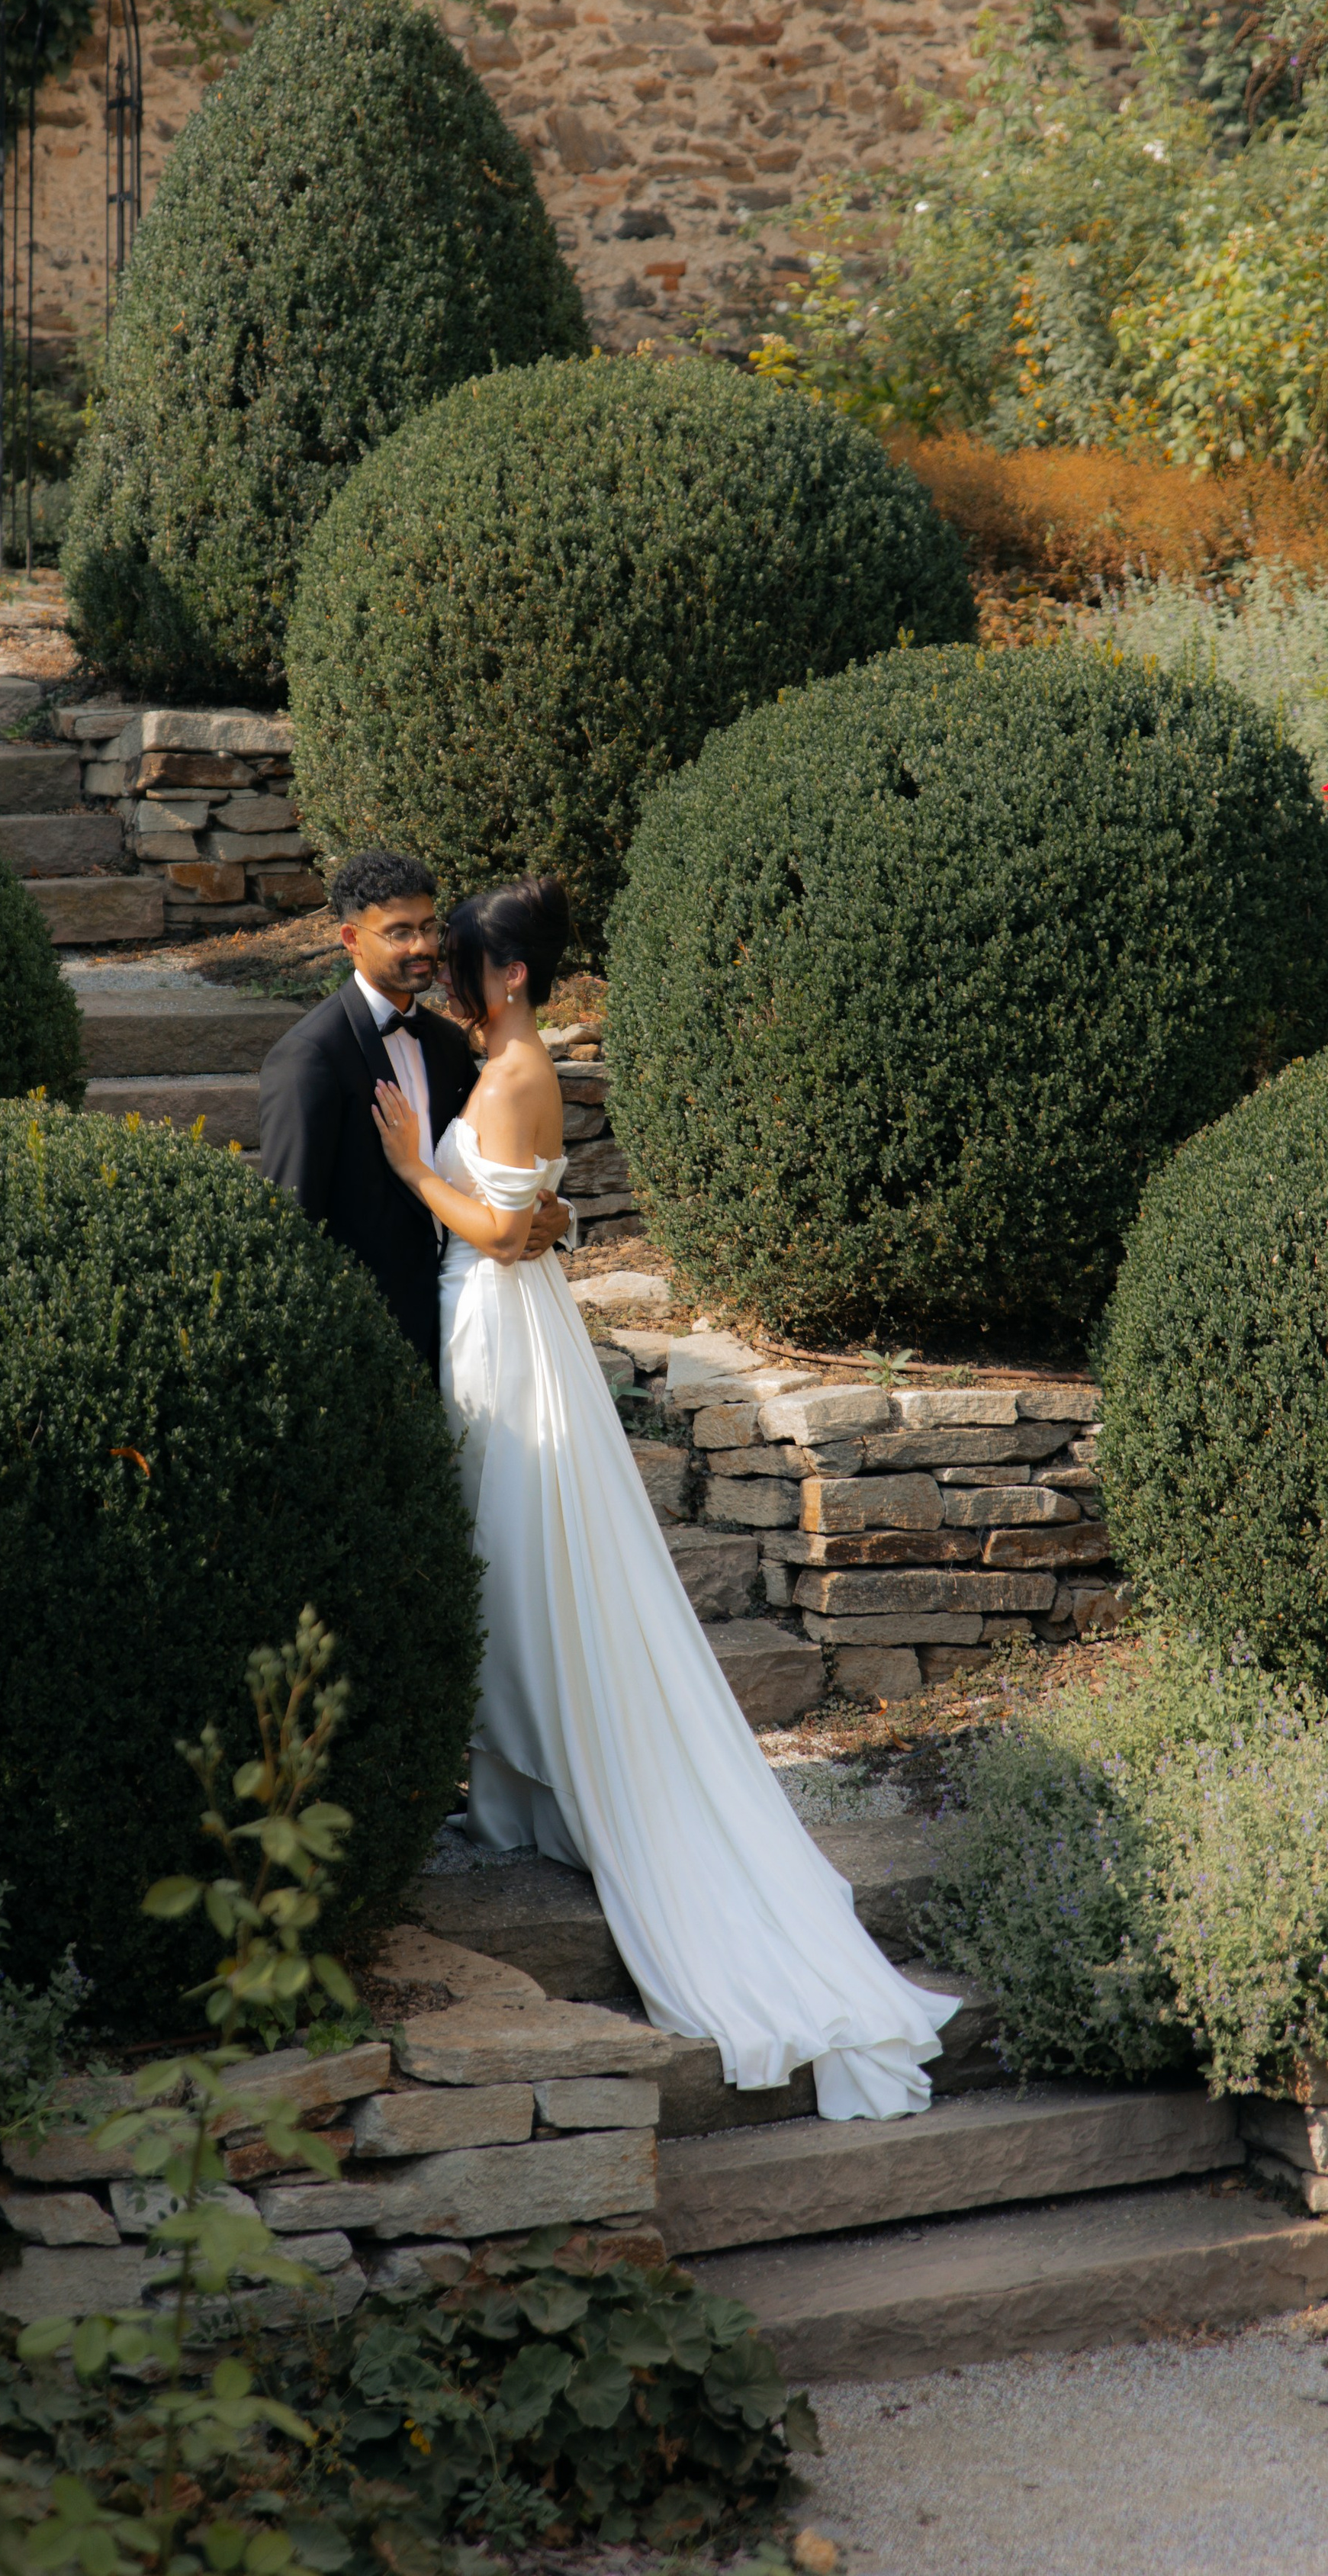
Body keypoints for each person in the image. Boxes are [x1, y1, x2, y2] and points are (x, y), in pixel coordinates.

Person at [368, 871, 960, 2123]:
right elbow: (540, 1222)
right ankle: (521, 1779)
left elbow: (495, 1229)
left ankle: (553, 1772)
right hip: (500, 1320)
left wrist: (419, 1170)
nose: (445, 979)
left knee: (525, 1557)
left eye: (463, 963)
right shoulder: (505, 1063)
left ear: (511, 976)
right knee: (512, 1561)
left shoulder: (521, 1072)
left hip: (503, 1329)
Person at [254, 852, 571, 1378]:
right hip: (367, 1336)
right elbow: (291, 1220)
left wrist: (554, 1210)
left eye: (429, 927)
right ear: (352, 939)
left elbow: (492, 1161)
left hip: (466, 1323)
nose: (423, 946)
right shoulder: (310, 1057)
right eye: (399, 932)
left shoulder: (450, 1041)